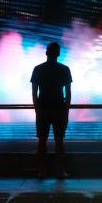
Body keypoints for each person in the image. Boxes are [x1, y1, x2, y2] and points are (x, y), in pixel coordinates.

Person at [31, 42, 72, 178]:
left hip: (43, 109)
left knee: (42, 141)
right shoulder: (64, 69)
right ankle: (60, 170)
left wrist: (37, 110)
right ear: (58, 54)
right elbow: (68, 93)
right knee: (59, 141)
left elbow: (34, 93)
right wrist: (66, 112)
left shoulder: (38, 69)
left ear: (47, 52)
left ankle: (42, 170)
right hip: (59, 109)